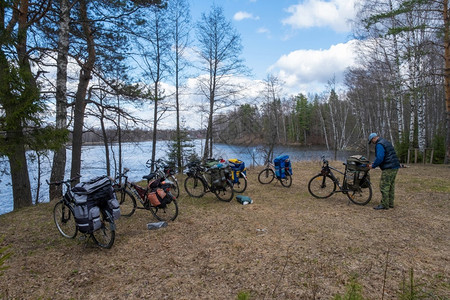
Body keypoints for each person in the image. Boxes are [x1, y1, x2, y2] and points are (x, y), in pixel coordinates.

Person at [368, 133, 400, 210]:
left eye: (371, 141)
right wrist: (375, 163)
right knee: (391, 186)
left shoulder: (379, 144)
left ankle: (384, 204)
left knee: (384, 186)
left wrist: (373, 165)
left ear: (373, 139)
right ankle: (390, 203)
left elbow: (380, 157)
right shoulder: (385, 141)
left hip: (389, 167)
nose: (372, 143)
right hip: (395, 166)